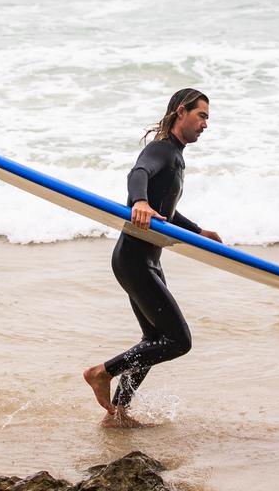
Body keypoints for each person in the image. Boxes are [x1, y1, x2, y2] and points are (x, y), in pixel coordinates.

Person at [83, 88, 221, 428]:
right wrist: (138, 202)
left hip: (145, 261)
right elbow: (138, 173)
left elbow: (167, 212)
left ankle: (117, 413)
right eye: (201, 115)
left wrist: (198, 231)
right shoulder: (161, 150)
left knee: (154, 340)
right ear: (180, 112)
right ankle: (102, 372)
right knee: (178, 341)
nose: (205, 124)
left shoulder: (176, 155)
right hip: (134, 260)